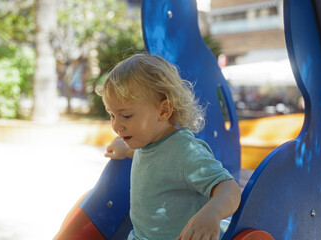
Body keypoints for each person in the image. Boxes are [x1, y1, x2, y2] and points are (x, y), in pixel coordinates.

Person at [96, 53, 241, 240]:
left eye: (126, 115)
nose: (116, 125)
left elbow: (230, 188)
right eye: (112, 115)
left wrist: (212, 212)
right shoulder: (146, 142)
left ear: (163, 110)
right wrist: (126, 150)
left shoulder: (186, 152)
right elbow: (157, 161)